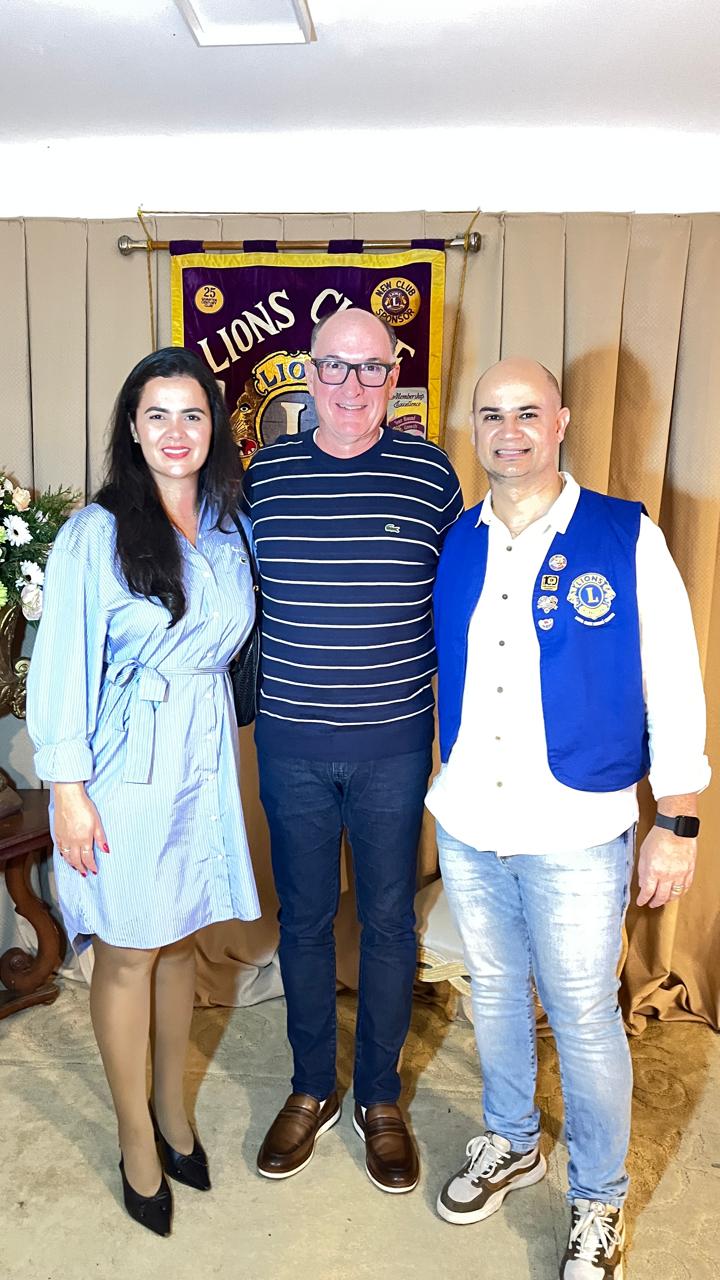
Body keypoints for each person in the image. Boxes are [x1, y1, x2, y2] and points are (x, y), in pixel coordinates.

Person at [427, 358, 710, 1278]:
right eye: (491, 414)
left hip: (578, 827)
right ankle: (513, 1140)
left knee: (585, 1014)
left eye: (527, 413)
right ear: (474, 429)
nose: (508, 431)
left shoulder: (627, 535)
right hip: (471, 820)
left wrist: (677, 819)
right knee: (496, 991)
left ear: (561, 422)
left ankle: (599, 1197)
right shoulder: (458, 541)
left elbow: (674, 680)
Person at [26, 347, 260, 1237]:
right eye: (157, 414)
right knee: (128, 949)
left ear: (214, 428)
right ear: (132, 427)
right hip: (124, 762)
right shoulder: (96, 533)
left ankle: (172, 1110)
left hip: (204, 757)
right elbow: (61, 664)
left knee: (181, 937)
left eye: (191, 414)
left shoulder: (230, 525)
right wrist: (68, 790)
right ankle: (135, 1139)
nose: (175, 431)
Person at [243, 307, 463, 1193]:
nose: (351, 385)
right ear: (309, 372)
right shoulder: (263, 476)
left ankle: (378, 1095)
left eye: (371, 368)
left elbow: (465, 602)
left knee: (387, 921)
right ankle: (310, 1086)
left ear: (393, 376)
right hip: (290, 743)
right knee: (301, 921)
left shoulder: (431, 474)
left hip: (393, 747)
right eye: (335, 366)